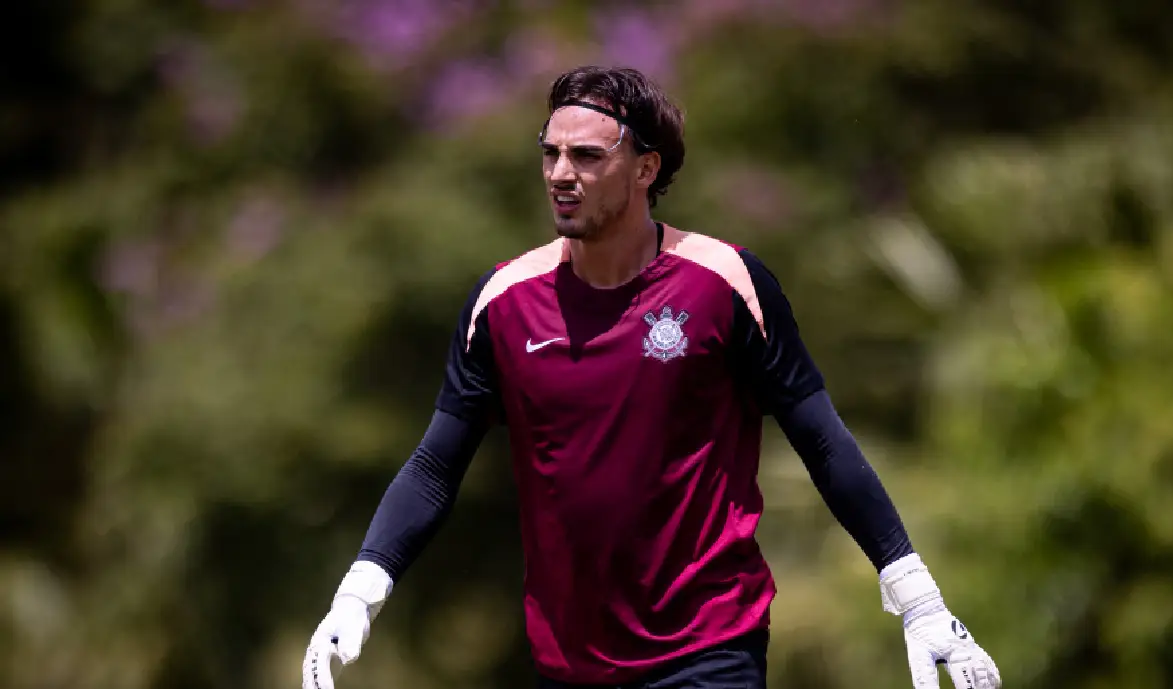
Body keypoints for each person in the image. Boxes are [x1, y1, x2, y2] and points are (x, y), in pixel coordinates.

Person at [302, 65, 1001, 689]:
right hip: (568, 661)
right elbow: (435, 465)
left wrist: (915, 592)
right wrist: (360, 588)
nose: (559, 173)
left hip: (709, 645)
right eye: (549, 153)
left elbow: (821, 440)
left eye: (586, 155)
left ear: (644, 168)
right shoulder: (503, 301)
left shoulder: (725, 283)